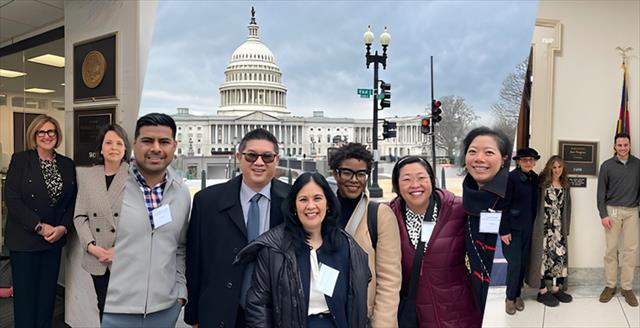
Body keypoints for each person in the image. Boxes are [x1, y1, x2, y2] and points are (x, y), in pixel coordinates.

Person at [185, 128, 291, 328]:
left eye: (267, 157)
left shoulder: (293, 201)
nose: (259, 162)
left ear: (276, 160)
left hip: (274, 313)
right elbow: (195, 259)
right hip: (221, 310)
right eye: (251, 155)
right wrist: (193, 316)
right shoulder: (207, 201)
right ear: (239, 157)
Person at [236, 172, 370, 328]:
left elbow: (357, 301)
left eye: (317, 198)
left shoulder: (344, 245)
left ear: (328, 204)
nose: (311, 206)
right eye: (303, 199)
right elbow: (259, 306)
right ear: (294, 206)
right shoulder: (274, 249)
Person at [100, 113, 191, 327]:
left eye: (164, 142)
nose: (156, 148)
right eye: (148, 141)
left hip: (163, 312)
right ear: (134, 144)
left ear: (174, 145)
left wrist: (179, 293)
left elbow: (179, 247)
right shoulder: (112, 185)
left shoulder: (181, 192)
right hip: (113, 313)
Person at [388, 156, 482, 327]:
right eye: (407, 179)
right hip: (416, 314)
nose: (415, 185)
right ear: (397, 185)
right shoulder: (387, 216)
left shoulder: (458, 209)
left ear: (431, 180)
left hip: (458, 311)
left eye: (421, 178)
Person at [5, 114, 77, 327]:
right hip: (25, 240)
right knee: (26, 301)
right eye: (42, 132)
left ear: (57, 135)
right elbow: (12, 199)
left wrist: (63, 228)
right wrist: (39, 226)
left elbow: (72, 201)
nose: (47, 136)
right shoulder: (20, 160)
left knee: (47, 299)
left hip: (53, 242)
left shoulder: (66, 164)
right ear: (34, 135)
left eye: (51, 131)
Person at [328, 143, 402, 327]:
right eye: (347, 173)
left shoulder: (379, 215)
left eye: (361, 174)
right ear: (336, 174)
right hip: (329, 313)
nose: (354, 180)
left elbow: (389, 281)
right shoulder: (323, 213)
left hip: (363, 317)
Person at [73, 124, 131, 321]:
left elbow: (140, 222)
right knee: (103, 306)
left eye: (118, 143)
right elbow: (80, 216)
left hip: (125, 258)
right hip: (97, 257)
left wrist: (119, 249)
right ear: (101, 148)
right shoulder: (89, 176)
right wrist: (91, 247)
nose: (113, 147)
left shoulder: (135, 178)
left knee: (125, 310)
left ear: (125, 150)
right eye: (108, 143)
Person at [461, 127, 511, 316]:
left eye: (489, 152)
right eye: (472, 151)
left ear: (504, 158)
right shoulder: (466, 197)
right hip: (474, 294)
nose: (479, 159)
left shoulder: (512, 196)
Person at [597, 132, 640, 307]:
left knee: (630, 251)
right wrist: (603, 214)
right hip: (612, 211)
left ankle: (627, 288)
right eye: (620, 145)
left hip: (632, 212)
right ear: (615, 146)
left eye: (625, 145)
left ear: (629, 146)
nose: (623, 148)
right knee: (611, 250)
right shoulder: (607, 166)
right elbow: (600, 193)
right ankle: (610, 285)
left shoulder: (638, 164)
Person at [525, 155, 573, 307]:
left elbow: (568, 208)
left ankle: (556, 288)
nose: (557, 170)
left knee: (559, 257)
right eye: (554, 167)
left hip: (558, 228)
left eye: (560, 167)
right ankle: (542, 291)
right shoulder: (542, 183)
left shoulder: (565, 184)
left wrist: (567, 228)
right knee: (542, 258)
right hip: (543, 227)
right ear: (549, 168)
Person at [500, 147, 540, 314]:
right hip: (512, 229)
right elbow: (503, 205)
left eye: (531, 160)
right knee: (514, 264)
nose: (528, 162)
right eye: (525, 160)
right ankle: (510, 297)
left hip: (528, 228)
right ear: (518, 162)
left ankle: (518, 295)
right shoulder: (511, 178)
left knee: (523, 263)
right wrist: (504, 230)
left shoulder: (535, 178)